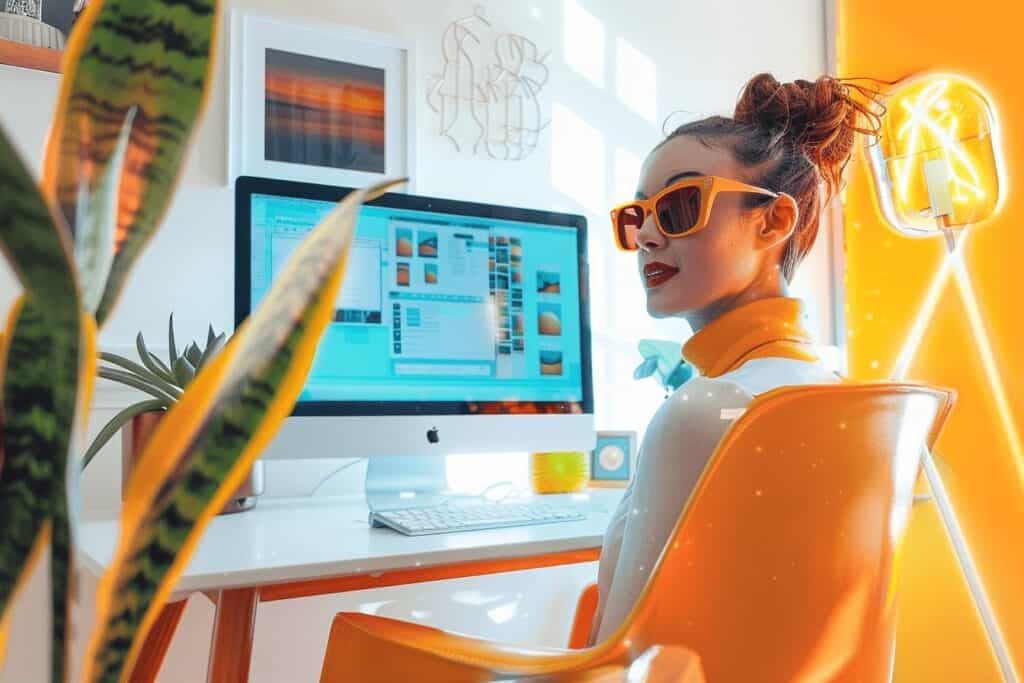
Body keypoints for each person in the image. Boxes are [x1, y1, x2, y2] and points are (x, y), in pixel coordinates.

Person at [589, 73, 881, 643]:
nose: (648, 234)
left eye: (677, 206)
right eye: (637, 216)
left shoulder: (707, 411)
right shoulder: (836, 394)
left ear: (773, 221)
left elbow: (621, 656)